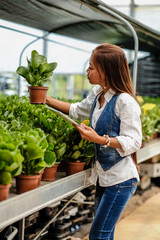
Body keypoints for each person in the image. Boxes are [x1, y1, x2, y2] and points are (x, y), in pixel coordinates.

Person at [46, 43, 142, 240]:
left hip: (121, 179)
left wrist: (98, 139)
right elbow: (76, 110)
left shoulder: (125, 101)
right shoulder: (98, 93)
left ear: (106, 71)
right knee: (105, 234)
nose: (87, 71)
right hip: (104, 177)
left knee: (98, 234)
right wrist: (45, 99)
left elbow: (134, 141)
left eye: (91, 67)